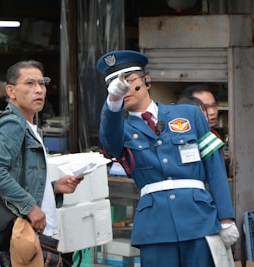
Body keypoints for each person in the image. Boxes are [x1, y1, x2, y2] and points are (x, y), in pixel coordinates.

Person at [97, 50, 239, 267]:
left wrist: (226, 218)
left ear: (146, 81)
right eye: (117, 85)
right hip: (155, 228)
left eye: (129, 81)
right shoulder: (121, 130)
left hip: (199, 219)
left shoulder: (189, 114)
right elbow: (108, 136)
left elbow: (215, 167)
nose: (124, 88)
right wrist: (113, 101)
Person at [0, 60, 83, 266]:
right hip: (26, 232)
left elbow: (22, 177)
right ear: (11, 91)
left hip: (39, 233)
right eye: (29, 84)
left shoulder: (30, 127)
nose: (39, 90)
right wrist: (30, 208)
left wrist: (54, 188)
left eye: (42, 84)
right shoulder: (12, 123)